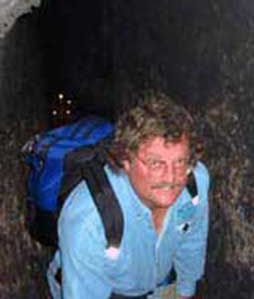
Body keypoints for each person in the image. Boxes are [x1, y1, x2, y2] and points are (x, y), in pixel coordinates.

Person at [47, 92, 210, 299]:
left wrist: (186, 291)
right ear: (125, 159)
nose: (171, 177)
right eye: (155, 164)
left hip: (160, 284)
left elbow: (192, 239)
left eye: (180, 162)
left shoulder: (195, 181)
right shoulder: (88, 220)